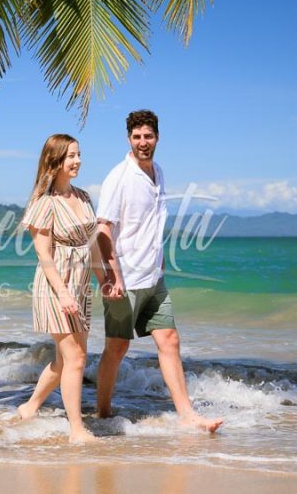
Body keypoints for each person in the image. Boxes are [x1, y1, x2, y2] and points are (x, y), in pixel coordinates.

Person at [95, 110, 223, 433]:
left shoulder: (159, 173)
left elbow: (152, 223)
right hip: (125, 279)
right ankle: (102, 410)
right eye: (137, 137)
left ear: (157, 138)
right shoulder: (119, 178)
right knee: (117, 347)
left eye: (148, 136)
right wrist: (114, 275)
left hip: (153, 277)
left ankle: (187, 414)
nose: (143, 142)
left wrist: (161, 257)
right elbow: (102, 231)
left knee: (170, 339)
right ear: (128, 139)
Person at [17, 134, 105, 444]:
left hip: (80, 286)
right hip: (56, 288)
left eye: (79, 154)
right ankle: (77, 430)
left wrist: (104, 278)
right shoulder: (45, 204)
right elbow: (44, 255)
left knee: (63, 360)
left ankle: (30, 406)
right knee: (77, 359)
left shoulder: (83, 197)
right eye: (71, 156)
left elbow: (91, 245)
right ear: (55, 162)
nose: (78, 160)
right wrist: (64, 293)